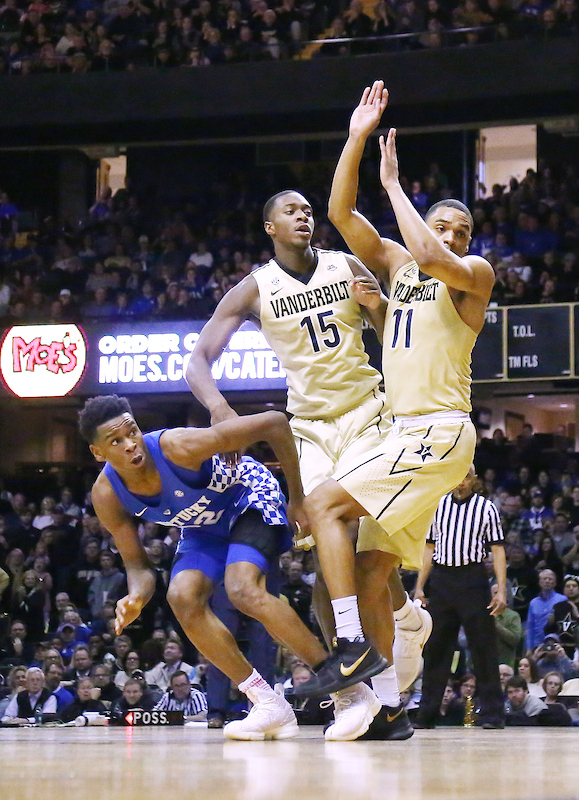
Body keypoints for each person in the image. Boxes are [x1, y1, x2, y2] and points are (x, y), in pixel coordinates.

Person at [188, 141, 432, 737]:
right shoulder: (253, 288)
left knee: (365, 562)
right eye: (291, 210)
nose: (305, 215)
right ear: (270, 226)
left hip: (368, 414)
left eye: (308, 209)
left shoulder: (347, 266)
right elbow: (198, 361)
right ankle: (370, 693)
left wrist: (376, 309)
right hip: (311, 431)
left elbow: (393, 337)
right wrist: (222, 413)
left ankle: (392, 628)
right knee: (333, 570)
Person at [299, 84, 493, 743]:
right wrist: (356, 138)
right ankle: (389, 709)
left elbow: (433, 257)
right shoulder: (396, 265)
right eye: (447, 225)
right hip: (400, 432)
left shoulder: (473, 273)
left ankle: (350, 645)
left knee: (324, 505)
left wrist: (395, 186)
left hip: (438, 432)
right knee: (375, 571)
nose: (455, 236)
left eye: (463, 229)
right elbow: (337, 210)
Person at [81, 395, 327, 741]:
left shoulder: (178, 446)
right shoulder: (106, 494)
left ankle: (340, 681)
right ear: (99, 453)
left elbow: (274, 423)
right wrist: (136, 595)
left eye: (132, 432)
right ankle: (266, 702)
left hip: (247, 496)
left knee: (242, 589)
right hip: (202, 525)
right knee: (181, 597)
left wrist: (297, 497)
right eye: (116, 441)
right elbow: (138, 565)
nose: (130, 444)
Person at [413, 469, 508, 729]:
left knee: (483, 649)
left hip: (472, 579)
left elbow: (497, 550)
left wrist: (501, 589)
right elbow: (429, 548)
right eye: (457, 477)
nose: (461, 482)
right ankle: (427, 714)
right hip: (442, 581)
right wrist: (419, 585)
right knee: (436, 651)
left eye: (466, 477)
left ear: (474, 480)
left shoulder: (486, 508)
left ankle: (493, 714)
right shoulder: (437, 505)